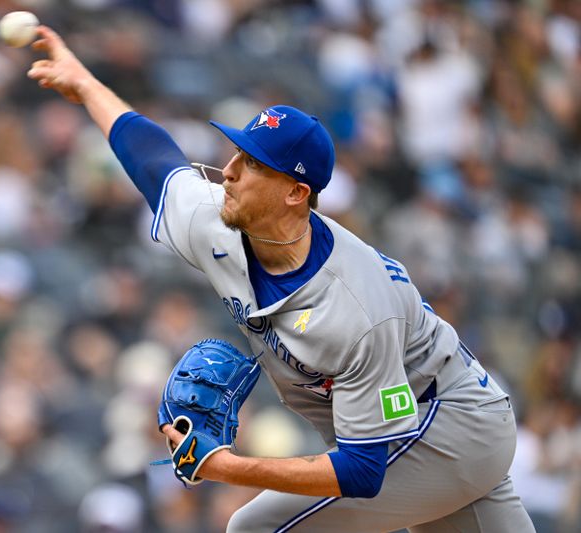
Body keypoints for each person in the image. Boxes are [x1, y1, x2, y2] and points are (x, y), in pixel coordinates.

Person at [27, 26, 536, 532]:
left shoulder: (356, 306)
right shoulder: (219, 220)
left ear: (295, 193)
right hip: (420, 428)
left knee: (254, 528)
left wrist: (226, 467)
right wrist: (85, 85)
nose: (228, 170)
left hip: (444, 426)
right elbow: (154, 160)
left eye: (251, 162)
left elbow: (361, 472)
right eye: (235, 153)